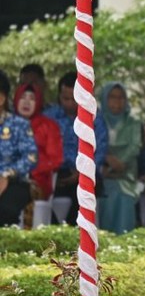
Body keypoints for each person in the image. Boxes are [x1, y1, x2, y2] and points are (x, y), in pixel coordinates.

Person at [44, 71, 109, 225]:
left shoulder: (95, 118)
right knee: (44, 197)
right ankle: (54, 234)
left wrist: (82, 171)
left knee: (84, 195)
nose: (70, 103)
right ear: (59, 96)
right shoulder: (49, 117)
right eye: (65, 98)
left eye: (74, 99)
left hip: (87, 172)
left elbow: (100, 149)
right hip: (56, 172)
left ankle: (74, 235)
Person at [96, 83, 143, 234]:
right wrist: (106, 160)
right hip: (101, 176)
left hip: (126, 175)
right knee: (107, 195)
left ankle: (123, 242)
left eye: (121, 97)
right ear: (104, 99)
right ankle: (106, 243)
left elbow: (135, 146)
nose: (117, 102)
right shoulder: (97, 121)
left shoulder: (133, 122)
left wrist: (119, 163)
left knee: (123, 196)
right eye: (112, 97)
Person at [0, 70, 38, 226]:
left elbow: (30, 157)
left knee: (6, 210)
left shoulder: (18, 124)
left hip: (14, 181)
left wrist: (6, 175)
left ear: (1, 98)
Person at [13, 82, 63, 200]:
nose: (26, 102)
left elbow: (55, 159)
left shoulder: (49, 126)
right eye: (23, 97)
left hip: (36, 180)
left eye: (32, 99)